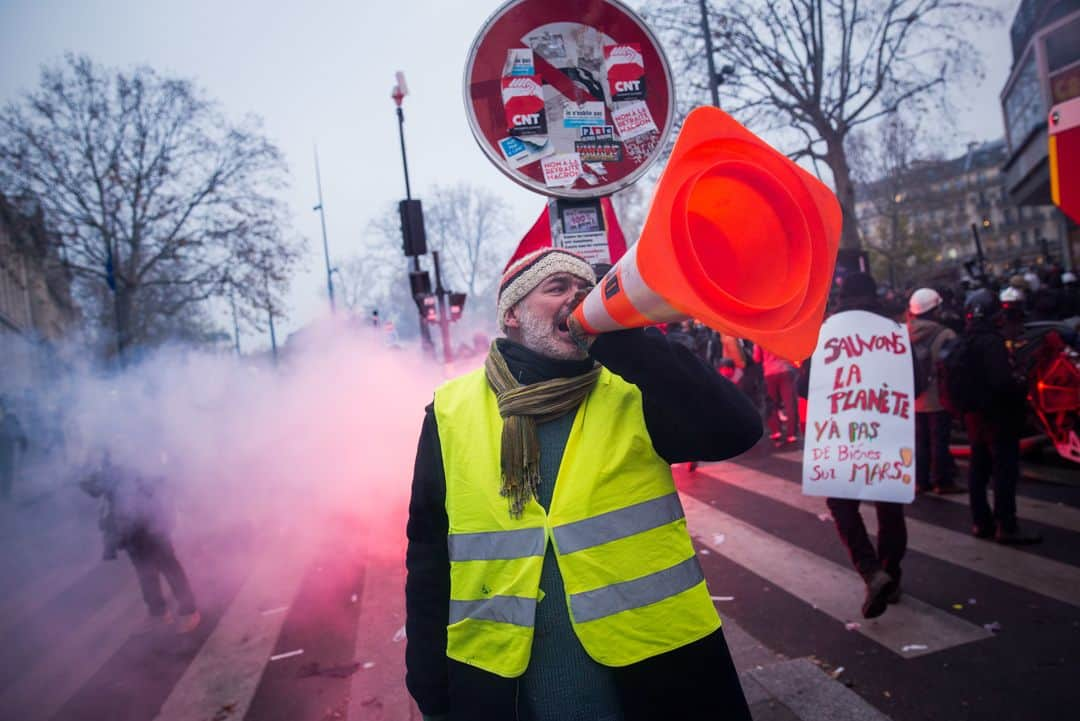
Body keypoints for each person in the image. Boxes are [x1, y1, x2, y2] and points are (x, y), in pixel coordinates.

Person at [405, 247, 762, 721]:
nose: (577, 299)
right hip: (505, 683)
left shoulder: (632, 384)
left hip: (658, 671)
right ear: (512, 314)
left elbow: (735, 429)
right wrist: (429, 677)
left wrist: (626, 342)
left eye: (585, 290)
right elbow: (429, 554)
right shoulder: (451, 411)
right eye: (557, 288)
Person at [823, 273, 908, 618]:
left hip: (843, 432)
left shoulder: (828, 332)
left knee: (842, 504)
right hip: (887, 427)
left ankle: (872, 570)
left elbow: (804, 386)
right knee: (890, 507)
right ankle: (892, 574)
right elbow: (915, 378)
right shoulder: (892, 330)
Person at [80, 451, 202, 632]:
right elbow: (97, 488)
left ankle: (188, 610)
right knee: (144, 571)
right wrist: (84, 476)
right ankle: (158, 612)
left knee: (168, 566)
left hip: (153, 519)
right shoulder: (109, 452)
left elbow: (163, 479)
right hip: (128, 524)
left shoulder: (145, 446)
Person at [960, 290, 1042, 545]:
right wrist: (1019, 383)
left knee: (978, 470)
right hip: (998, 417)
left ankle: (980, 522)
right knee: (1004, 472)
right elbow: (1001, 383)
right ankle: (1006, 525)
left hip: (974, 417)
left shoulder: (966, 340)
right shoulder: (992, 342)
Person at [907, 288, 961, 495]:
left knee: (920, 441)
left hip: (913, 398)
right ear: (935, 310)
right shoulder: (945, 334)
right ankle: (942, 481)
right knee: (939, 440)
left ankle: (921, 481)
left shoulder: (903, 333)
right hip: (938, 398)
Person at [753, 343, 799, 446]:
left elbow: (756, 358)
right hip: (785, 369)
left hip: (769, 372)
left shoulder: (759, 336)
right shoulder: (782, 331)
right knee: (790, 403)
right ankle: (791, 434)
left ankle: (776, 431)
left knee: (772, 403)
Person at [0, 398, 28, 501]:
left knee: (7, 472)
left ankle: (5, 496)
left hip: (6, 448)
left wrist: (22, 441)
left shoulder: (10, 418)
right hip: (5, 447)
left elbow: (18, 431)